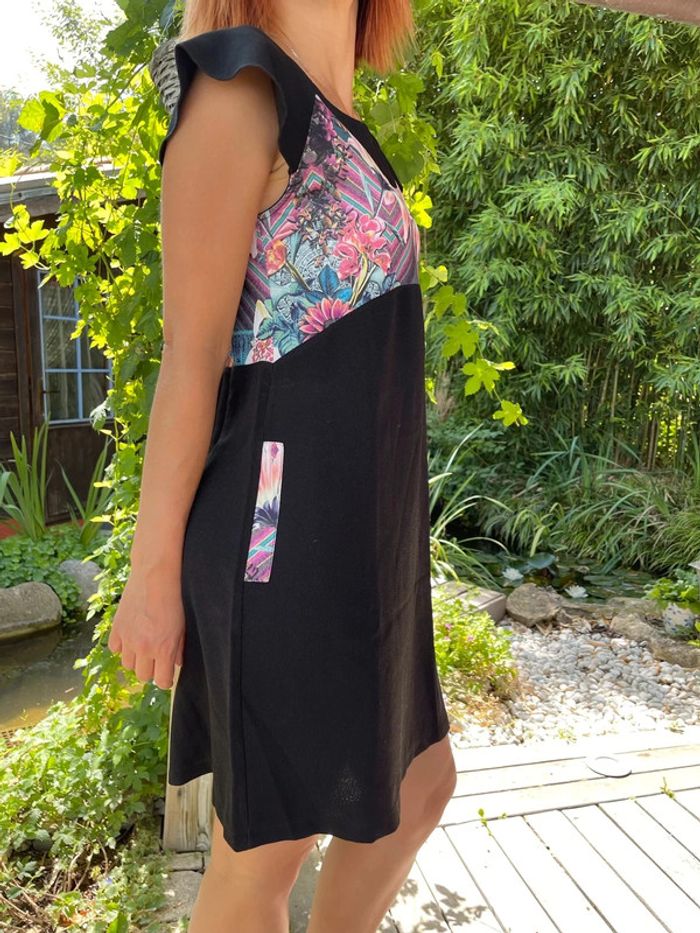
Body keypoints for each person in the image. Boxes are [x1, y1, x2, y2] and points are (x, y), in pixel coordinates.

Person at [108, 1, 457, 931]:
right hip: (276, 538)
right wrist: (152, 576)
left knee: (418, 786)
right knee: (263, 853)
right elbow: (190, 362)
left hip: (362, 542)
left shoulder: (337, 110)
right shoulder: (239, 88)